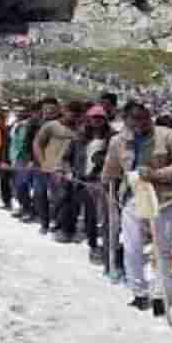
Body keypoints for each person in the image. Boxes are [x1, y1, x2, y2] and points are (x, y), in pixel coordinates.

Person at [100, 101, 172, 312]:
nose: (141, 123)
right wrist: (105, 184)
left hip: (165, 197)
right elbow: (111, 167)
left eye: (144, 118)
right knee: (132, 246)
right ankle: (139, 291)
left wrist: (157, 175)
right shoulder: (118, 141)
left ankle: (160, 294)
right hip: (133, 196)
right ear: (126, 120)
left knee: (163, 246)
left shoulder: (167, 136)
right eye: (135, 119)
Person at [60, 105, 113, 257]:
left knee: (100, 216)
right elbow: (66, 157)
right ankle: (92, 244)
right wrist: (68, 170)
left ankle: (104, 246)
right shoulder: (79, 137)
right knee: (87, 213)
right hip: (81, 179)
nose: (96, 121)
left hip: (100, 181)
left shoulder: (112, 138)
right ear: (88, 119)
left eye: (100, 118)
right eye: (93, 118)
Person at [30, 98, 77, 236]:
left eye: (51, 109)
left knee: (60, 197)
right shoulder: (47, 125)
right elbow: (36, 143)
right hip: (43, 166)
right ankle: (44, 223)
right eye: (46, 109)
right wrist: (42, 161)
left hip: (62, 169)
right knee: (40, 194)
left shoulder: (77, 127)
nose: (49, 111)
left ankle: (57, 222)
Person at [8, 102, 42, 222]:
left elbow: (28, 143)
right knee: (19, 186)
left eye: (22, 110)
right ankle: (25, 207)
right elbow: (12, 143)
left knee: (28, 186)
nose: (19, 113)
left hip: (28, 159)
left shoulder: (31, 125)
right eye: (17, 110)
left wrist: (31, 158)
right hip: (17, 158)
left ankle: (31, 210)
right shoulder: (15, 125)